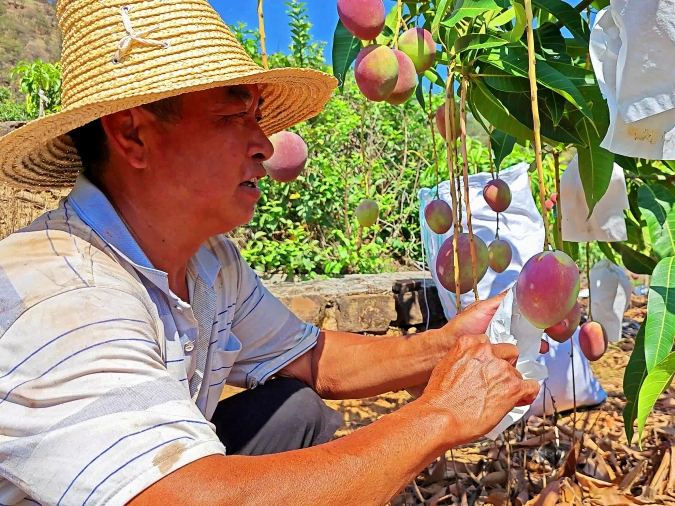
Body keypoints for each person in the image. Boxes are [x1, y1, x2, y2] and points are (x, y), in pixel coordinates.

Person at [0, 1, 547, 505]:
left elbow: (311, 359)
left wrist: (447, 343)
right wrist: (440, 417)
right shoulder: (61, 293)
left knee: (293, 411)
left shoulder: (209, 262)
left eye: (258, 118)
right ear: (132, 136)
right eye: (233, 117)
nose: (264, 144)